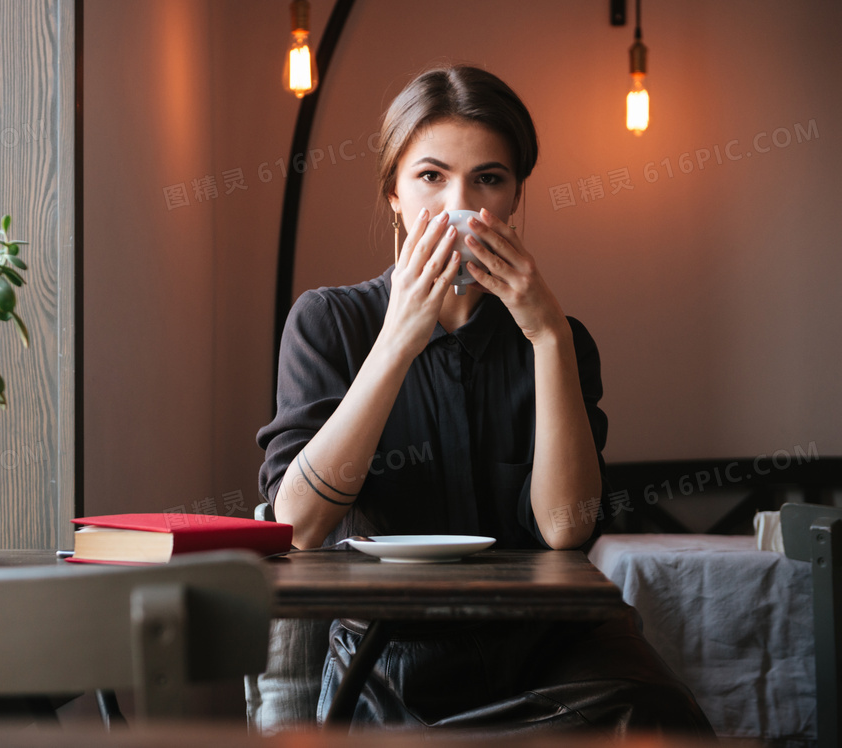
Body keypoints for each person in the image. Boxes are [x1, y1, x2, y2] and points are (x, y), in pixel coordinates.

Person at [256, 65, 713, 734]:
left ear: (515, 197)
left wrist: (547, 335)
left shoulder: (560, 339)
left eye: (488, 179)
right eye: (431, 177)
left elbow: (565, 527)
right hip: (392, 653)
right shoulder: (330, 323)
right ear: (393, 193)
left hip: (553, 650)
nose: (457, 205)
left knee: (656, 717)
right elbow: (298, 524)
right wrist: (397, 345)